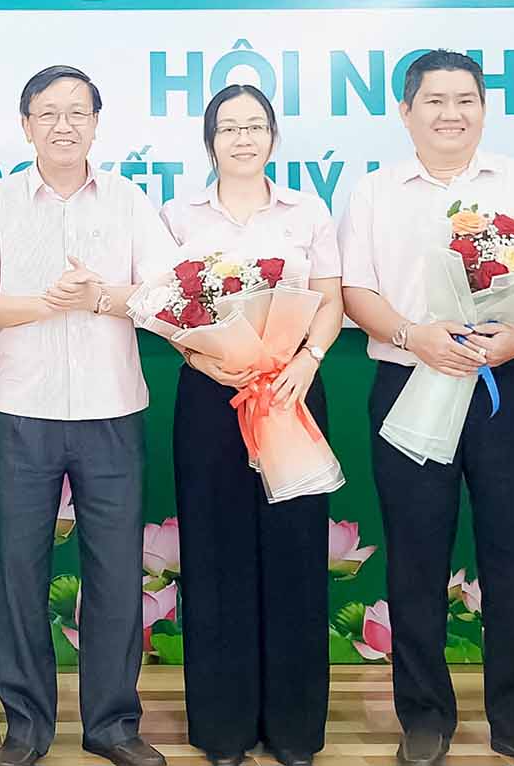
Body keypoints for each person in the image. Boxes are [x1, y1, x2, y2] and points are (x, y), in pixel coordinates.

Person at [337, 51, 514, 766]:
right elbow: (356, 291)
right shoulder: (375, 192)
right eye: (434, 101)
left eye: (465, 99)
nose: (451, 113)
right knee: (415, 555)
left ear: (484, 107)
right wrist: (413, 335)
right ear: (405, 112)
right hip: (410, 381)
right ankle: (424, 717)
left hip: (507, 387)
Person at [0, 64, 178, 766]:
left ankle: (113, 725)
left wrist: (101, 296)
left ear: (97, 124)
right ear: (26, 127)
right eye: (48, 112)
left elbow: (166, 294)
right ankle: (25, 726)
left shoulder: (130, 202)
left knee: (115, 572)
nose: (64, 125)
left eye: (78, 112)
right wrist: (45, 303)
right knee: (19, 568)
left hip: (112, 408)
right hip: (24, 410)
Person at [161, 86, 342, 766]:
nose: (243, 138)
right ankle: (224, 729)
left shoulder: (307, 211)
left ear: (273, 137)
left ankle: (294, 729)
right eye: (229, 127)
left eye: (256, 126)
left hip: (292, 392)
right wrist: (205, 361)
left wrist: (307, 361)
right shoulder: (178, 214)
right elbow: (163, 307)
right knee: (216, 556)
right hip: (213, 396)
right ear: (210, 140)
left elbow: (330, 299)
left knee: (296, 552)